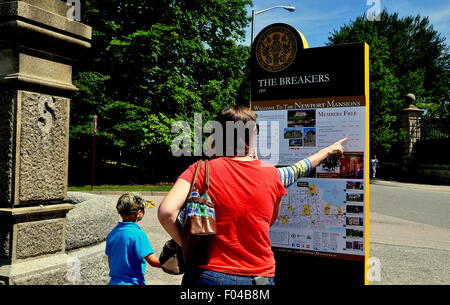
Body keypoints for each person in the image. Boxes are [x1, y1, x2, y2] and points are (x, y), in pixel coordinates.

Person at [158, 105, 347, 285]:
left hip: (208, 271)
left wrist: (188, 246)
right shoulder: (274, 175)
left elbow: (166, 212)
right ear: (252, 136)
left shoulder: (200, 170)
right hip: (259, 274)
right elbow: (299, 169)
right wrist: (328, 151)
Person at [105, 192, 161, 285]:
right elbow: (153, 261)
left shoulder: (113, 233)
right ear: (139, 212)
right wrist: (174, 264)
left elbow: (111, 263)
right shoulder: (138, 234)